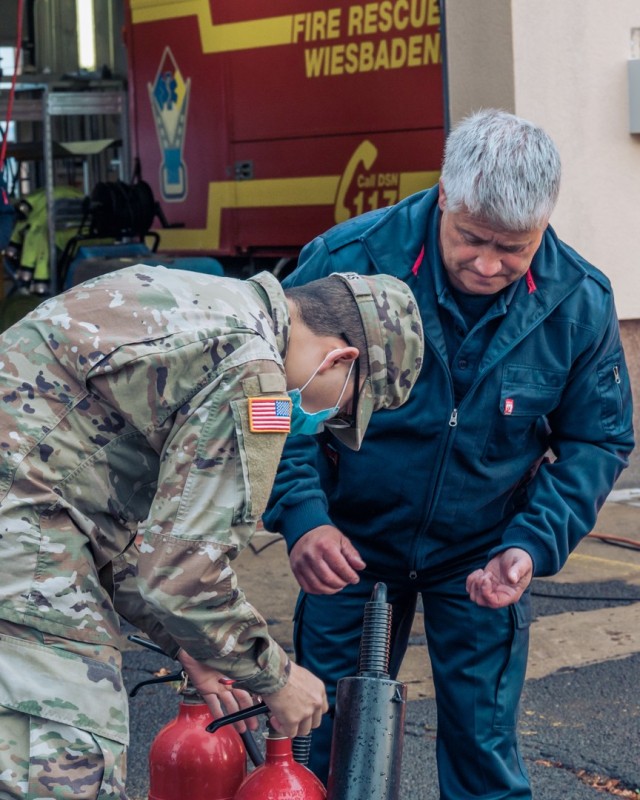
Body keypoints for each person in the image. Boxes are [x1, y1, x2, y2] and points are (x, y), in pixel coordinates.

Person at [264, 109, 635, 798]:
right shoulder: (348, 260)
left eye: (513, 248)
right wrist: (302, 516)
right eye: (471, 238)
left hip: (482, 553)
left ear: (546, 223)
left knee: (482, 749)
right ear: (444, 194)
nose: (488, 264)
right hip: (346, 540)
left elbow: (599, 438)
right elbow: (270, 405)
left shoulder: (578, 302)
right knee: (324, 740)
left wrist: (530, 544)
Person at [0, 264, 424, 799]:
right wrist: (277, 677)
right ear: (341, 359)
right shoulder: (254, 374)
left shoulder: (200, 300)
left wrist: (190, 644)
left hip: (27, 526)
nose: (322, 424)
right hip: (24, 545)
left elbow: (116, 529)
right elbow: (183, 572)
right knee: (67, 760)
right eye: (341, 410)